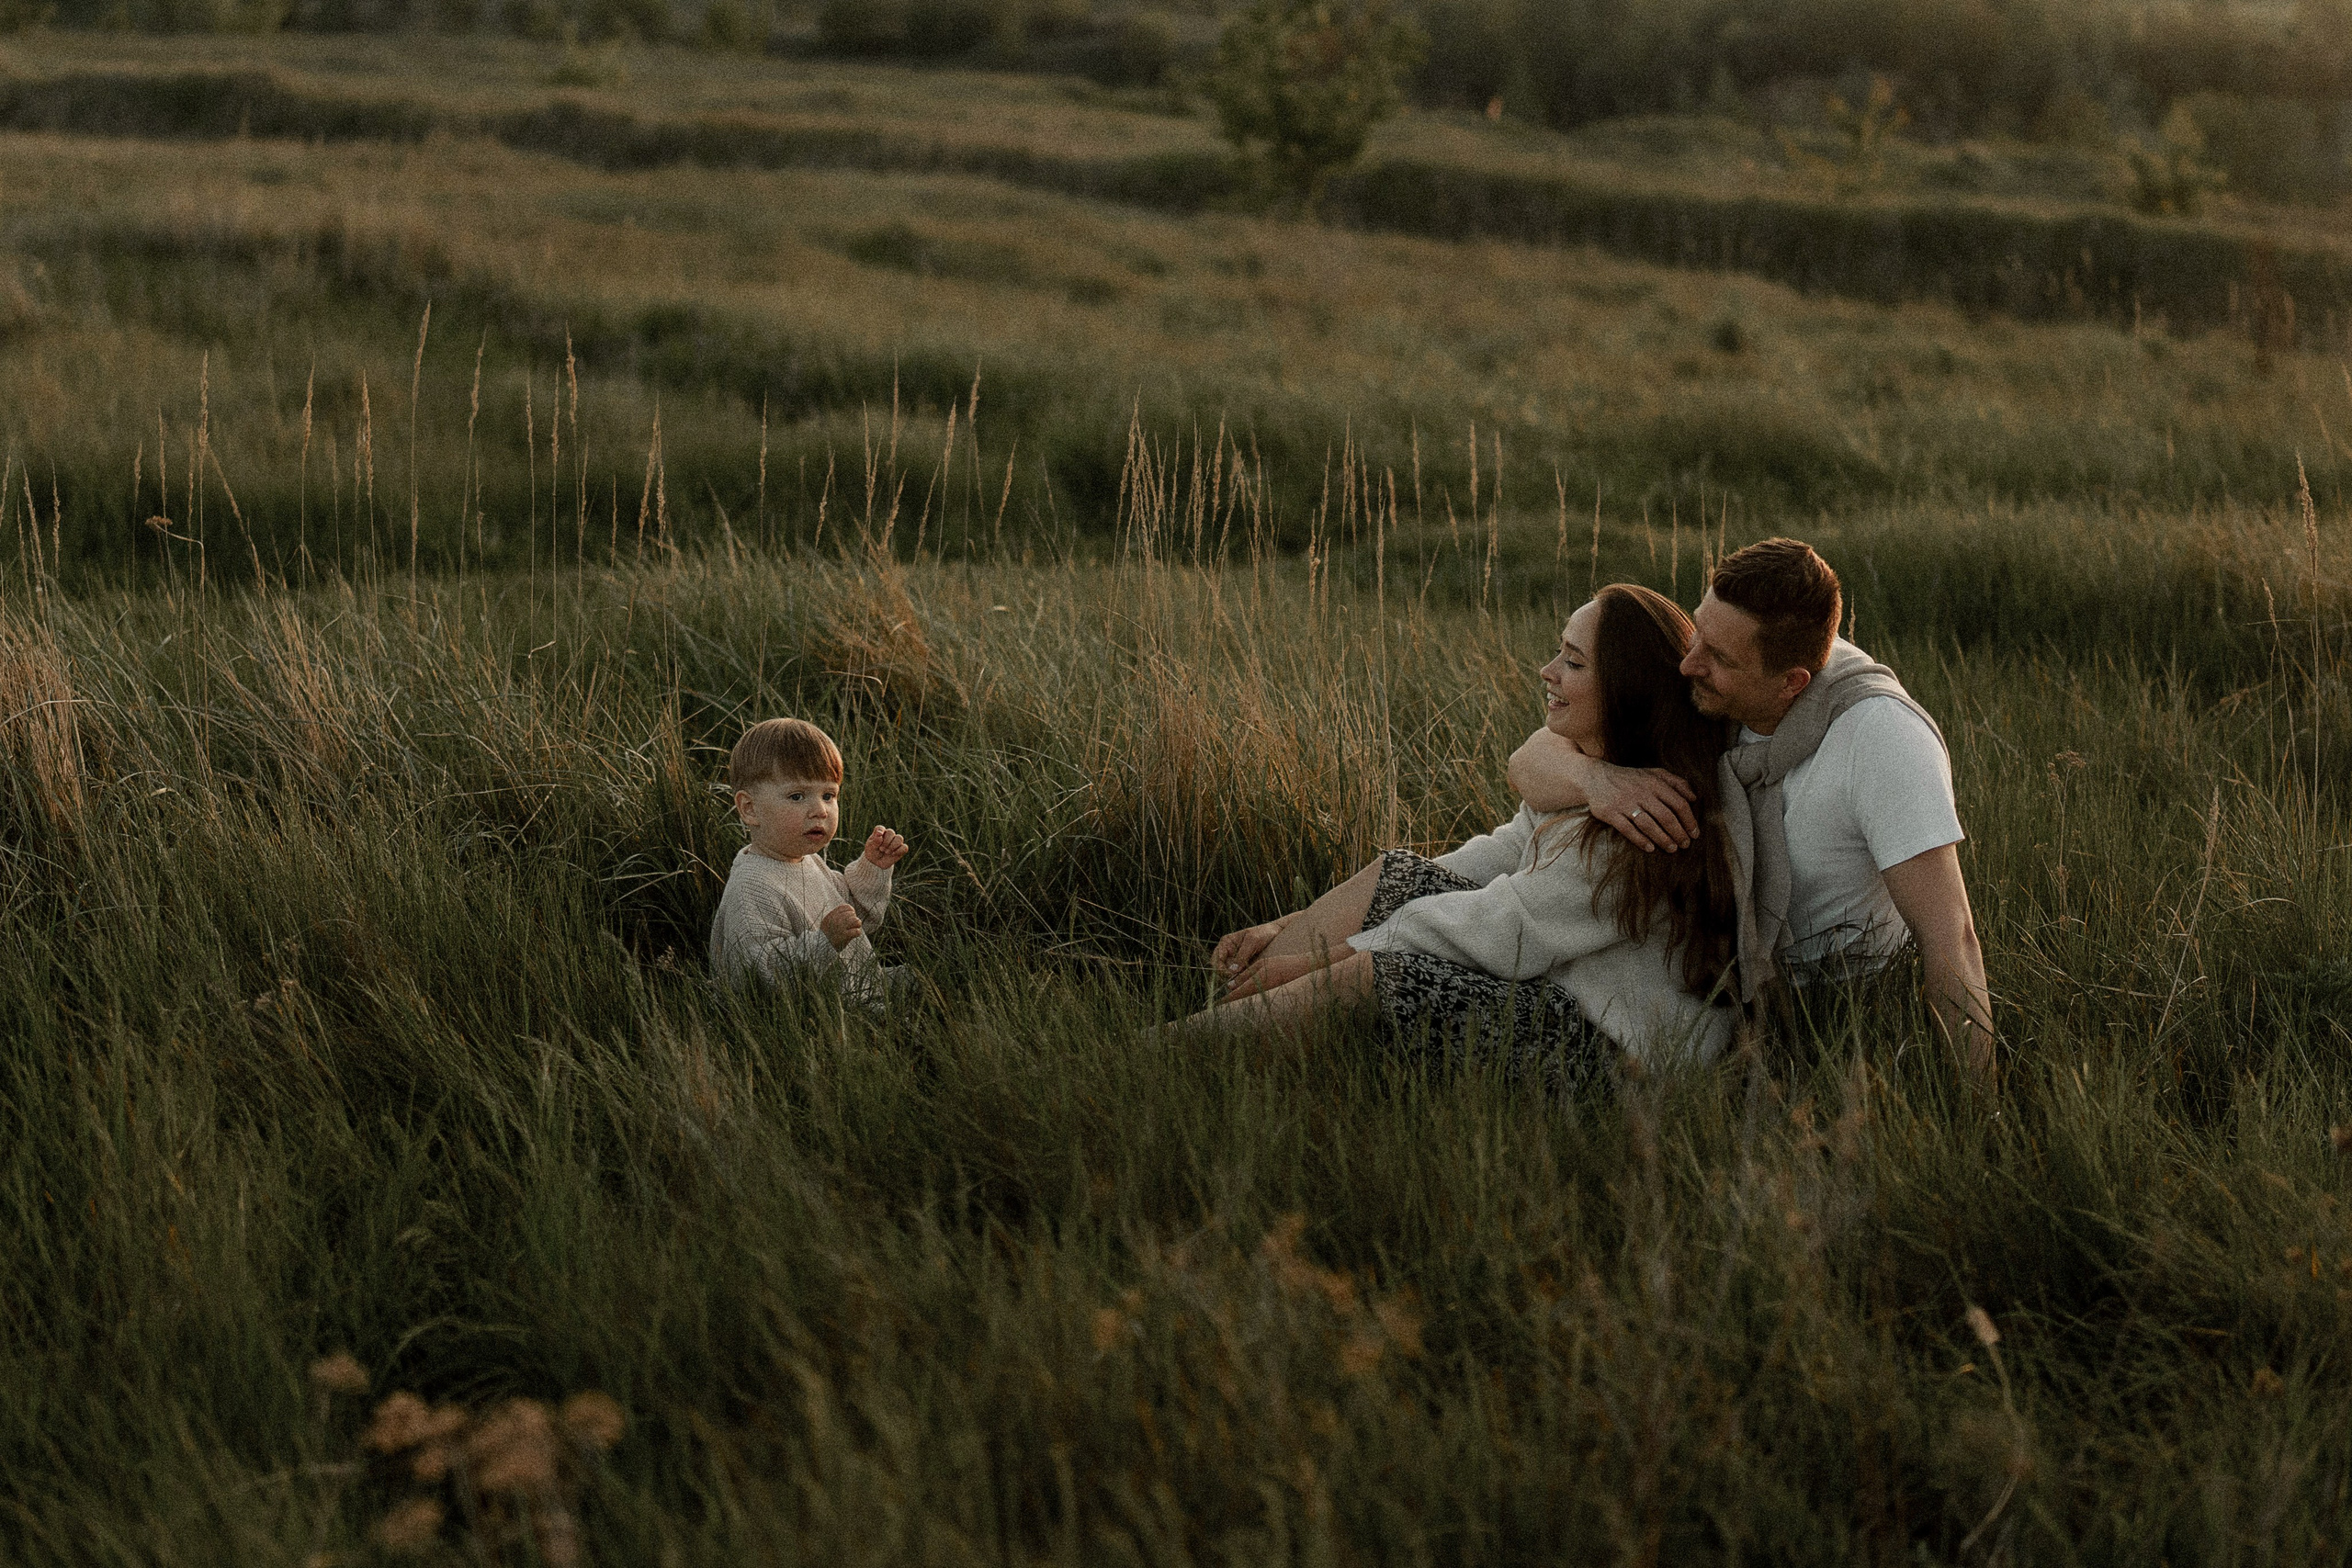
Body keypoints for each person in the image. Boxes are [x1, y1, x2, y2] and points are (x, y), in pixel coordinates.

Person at [1177, 584, 1740, 1084]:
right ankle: (1229, 1008)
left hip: (1619, 1050)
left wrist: (1321, 963)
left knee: (1383, 973)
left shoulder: (1646, 824)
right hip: (1566, 990)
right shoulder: (1603, 773)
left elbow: (1503, 925)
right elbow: (1500, 853)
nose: (1547, 671)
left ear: (1625, 691)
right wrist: (1291, 927)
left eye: (1572, 663)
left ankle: (1179, 1053)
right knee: (1397, 875)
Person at [1507, 537, 1994, 1076]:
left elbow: (1952, 939)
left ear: (1792, 684)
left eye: (1716, 658)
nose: (1687, 664)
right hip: (1676, 969)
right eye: (1697, 632)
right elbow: (1529, 761)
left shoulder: (1882, 741)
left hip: (1829, 1010)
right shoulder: (1716, 669)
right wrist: (1595, 780)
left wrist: (1978, 1115)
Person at [709, 716, 910, 1008]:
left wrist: (873, 868)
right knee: (900, 1022)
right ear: (750, 809)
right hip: (810, 1010)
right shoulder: (752, 886)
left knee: (929, 977)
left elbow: (857, 920)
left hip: (846, 983)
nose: (820, 810)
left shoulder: (807, 862)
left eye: (829, 795)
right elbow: (756, 975)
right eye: (797, 796)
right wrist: (824, 942)